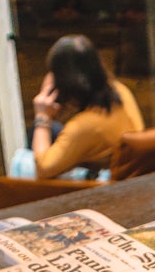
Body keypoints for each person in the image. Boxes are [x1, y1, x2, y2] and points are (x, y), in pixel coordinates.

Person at [16, 34, 144, 180]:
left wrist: (42, 116)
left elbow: (42, 170)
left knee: (37, 131)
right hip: (121, 163)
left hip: (101, 182)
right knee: (51, 129)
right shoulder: (119, 90)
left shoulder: (83, 127)